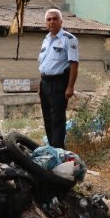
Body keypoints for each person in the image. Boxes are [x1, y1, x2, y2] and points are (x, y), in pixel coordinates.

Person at [37, 8, 79, 149]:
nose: (52, 22)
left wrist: (70, 87)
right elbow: (44, 64)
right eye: (49, 19)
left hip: (59, 83)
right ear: (46, 23)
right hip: (45, 82)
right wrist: (40, 84)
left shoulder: (69, 39)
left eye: (55, 19)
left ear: (61, 21)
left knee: (57, 119)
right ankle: (51, 148)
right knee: (47, 118)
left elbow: (74, 64)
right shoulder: (46, 39)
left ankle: (58, 150)